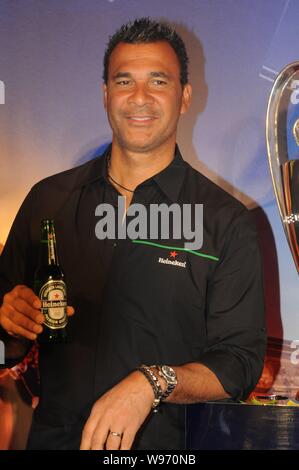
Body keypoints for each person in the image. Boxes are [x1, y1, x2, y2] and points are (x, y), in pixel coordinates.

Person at [0, 17, 266, 450]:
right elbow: (7, 327)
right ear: (106, 94)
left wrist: (152, 383)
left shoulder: (225, 222)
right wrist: (8, 318)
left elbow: (240, 363)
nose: (139, 97)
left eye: (158, 81)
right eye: (124, 81)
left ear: (184, 97)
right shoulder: (48, 200)